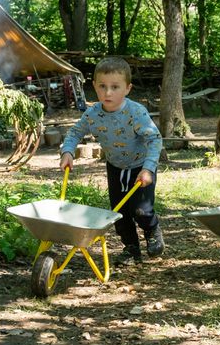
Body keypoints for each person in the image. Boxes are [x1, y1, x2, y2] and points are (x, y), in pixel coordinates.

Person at [60, 57, 163, 264]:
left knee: (141, 209)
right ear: (94, 87)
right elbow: (74, 133)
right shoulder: (93, 114)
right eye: (103, 86)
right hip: (115, 167)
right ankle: (131, 249)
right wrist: (68, 152)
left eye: (115, 87)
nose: (108, 93)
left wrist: (148, 169)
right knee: (118, 211)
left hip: (140, 167)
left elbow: (154, 138)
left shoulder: (136, 112)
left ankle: (152, 230)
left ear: (127, 88)